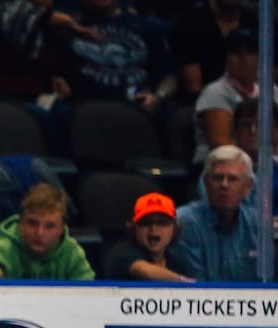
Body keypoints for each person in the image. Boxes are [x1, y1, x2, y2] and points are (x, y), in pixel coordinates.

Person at [66, 0, 175, 110]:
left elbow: (169, 76)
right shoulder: (71, 28)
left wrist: (158, 97)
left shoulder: (144, 26)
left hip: (140, 109)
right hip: (89, 113)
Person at [0, 183, 95, 281]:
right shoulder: (1, 248)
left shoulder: (72, 253)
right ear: (20, 223)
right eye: (32, 223)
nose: (39, 233)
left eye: (50, 226)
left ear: (62, 229)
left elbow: (91, 296)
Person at [169, 0, 255, 98]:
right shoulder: (189, 24)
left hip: (253, 104)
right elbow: (193, 88)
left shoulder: (258, 24)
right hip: (205, 104)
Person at [170, 146, 261, 282]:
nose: (224, 185)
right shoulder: (185, 222)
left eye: (232, 179)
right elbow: (196, 287)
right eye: (218, 178)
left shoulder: (259, 223)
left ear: (248, 187)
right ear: (206, 183)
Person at [194, 29, 267, 165]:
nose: (242, 57)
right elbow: (222, 147)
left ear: (259, 58)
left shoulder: (270, 91)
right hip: (218, 168)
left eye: (249, 52)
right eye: (235, 52)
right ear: (226, 58)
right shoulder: (215, 93)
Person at [102, 192, 192, 282]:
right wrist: (182, 280)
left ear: (175, 228)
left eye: (162, 223)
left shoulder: (177, 260)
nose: (153, 228)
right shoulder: (121, 252)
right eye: (146, 222)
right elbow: (143, 270)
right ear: (133, 228)